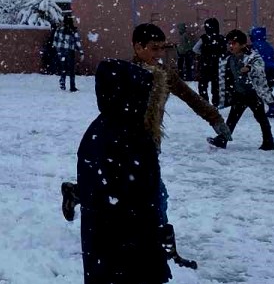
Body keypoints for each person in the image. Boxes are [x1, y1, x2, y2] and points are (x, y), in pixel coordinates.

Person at [60, 23, 232, 223]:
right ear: (137, 47)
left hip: (147, 143)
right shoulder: (125, 73)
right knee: (153, 195)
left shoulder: (164, 73)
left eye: (162, 48)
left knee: (124, 188)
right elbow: (110, 109)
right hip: (125, 144)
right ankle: (162, 244)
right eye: (154, 48)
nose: (159, 53)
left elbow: (190, 96)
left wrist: (215, 119)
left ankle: (78, 193)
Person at [76, 58, 174, 284]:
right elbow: (137, 193)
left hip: (113, 241)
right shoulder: (126, 134)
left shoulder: (105, 129)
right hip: (125, 242)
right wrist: (153, 228)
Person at [207, 29, 274, 151]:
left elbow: (259, 66)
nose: (230, 46)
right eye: (229, 43)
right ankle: (223, 139)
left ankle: (268, 142)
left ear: (243, 44)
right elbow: (225, 75)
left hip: (253, 93)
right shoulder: (229, 58)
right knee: (232, 118)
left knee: (261, 118)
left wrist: (249, 68)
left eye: (234, 43)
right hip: (240, 93)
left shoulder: (251, 56)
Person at [193, 17, 225, 106]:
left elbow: (195, 49)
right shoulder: (221, 38)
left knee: (203, 85)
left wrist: (203, 53)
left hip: (205, 64)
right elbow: (225, 51)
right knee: (216, 85)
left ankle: (204, 102)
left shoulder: (204, 38)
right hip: (217, 65)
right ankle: (216, 102)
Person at [250, 27, 274, 118]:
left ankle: (273, 106)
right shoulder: (268, 45)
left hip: (265, 70)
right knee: (265, 89)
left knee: (262, 89)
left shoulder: (255, 46)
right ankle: (272, 106)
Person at [53, 14, 84, 92]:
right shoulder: (73, 31)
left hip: (61, 51)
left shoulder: (59, 29)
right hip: (70, 51)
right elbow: (77, 42)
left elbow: (55, 41)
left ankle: (62, 82)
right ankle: (72, 86)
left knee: (63, 68)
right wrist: (81, 52)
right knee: (71, 69)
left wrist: (58, 50)